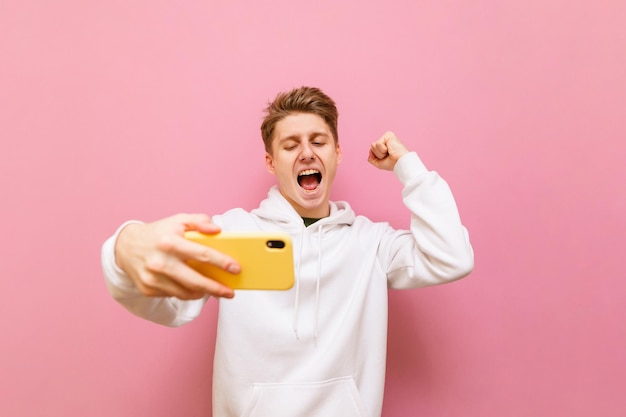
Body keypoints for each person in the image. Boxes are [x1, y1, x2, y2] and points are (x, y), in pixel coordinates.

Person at [101, 86, 474, 417]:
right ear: (271, 161)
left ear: (337, 153)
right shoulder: (232, 233)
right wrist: (122, 250)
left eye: (318, 141)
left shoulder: (372, 244)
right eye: (291, 145)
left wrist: (408, 168)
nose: (307, 153)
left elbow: (452, 256)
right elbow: (167, 307)